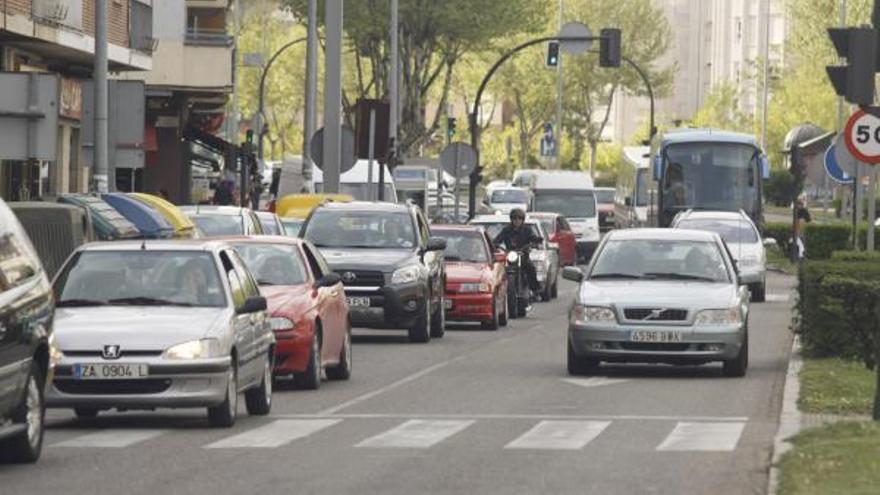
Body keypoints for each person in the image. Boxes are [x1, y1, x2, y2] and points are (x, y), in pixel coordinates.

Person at [492, 208, 541, 297]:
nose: (517, 221)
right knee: (499, 269)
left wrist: (536, 242)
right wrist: (495, 245)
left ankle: (535, 290)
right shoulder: (506, 230)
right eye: (515, 218)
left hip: (523, 256)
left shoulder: (527, 230)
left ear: (522, 220)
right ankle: (498, 292)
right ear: (511, 220)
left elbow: (534, 238)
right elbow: (497, 240)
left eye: (519, 218)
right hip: (510, 256)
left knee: (531, 268)